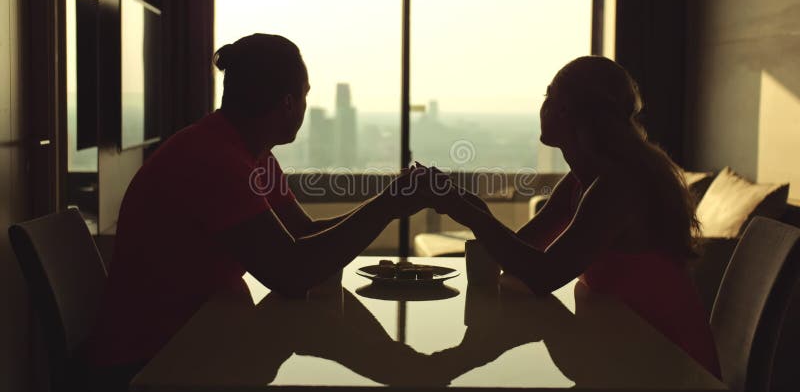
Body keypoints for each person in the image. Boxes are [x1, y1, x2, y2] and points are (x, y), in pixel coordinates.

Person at [86, 34, 436, 390]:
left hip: (204, 342)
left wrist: (386, 204)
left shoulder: (249, 154)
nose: (304, 105)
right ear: (287, 103)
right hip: (154, 364)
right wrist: (387, 206)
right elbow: (291, 273)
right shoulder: (212, 159)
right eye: (305, 94)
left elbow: (302, 233)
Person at [433, 56, 721, 378]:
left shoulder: (618, 186)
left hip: (666, 368)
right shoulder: (582, 180)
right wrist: (462, 202)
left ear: (567, 111)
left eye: (549, 96)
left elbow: (543, 275)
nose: (543, 106)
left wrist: (466, 212)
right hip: (622, 354)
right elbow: (523, 248)